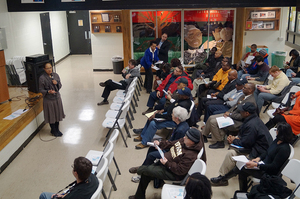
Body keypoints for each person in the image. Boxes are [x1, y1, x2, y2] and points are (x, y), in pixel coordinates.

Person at [128, 128, 205, 199]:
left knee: (147, 171)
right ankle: (139, 196)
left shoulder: (191, 155)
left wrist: (167, 163)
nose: (184, 137)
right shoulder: (185, 141)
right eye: (185, 135)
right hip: (166, 162)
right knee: (146, 173)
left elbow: (180, 170)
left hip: (173, 173)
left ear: (192, 141)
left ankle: (139, 169)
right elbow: (172, 143)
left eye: (187, 137)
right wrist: (160, 144)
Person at [210, 102, 272, 186]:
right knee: (231, 152)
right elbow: (247, 138)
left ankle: (223, 178)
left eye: (242, 111)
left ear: (247, 113)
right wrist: (235, 138)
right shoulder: (253, 119)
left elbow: (246, 143)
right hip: (255, 147)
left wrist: (233, 140)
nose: (240, 112)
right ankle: (222, 176)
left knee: (232, 153)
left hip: (259, 154)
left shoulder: (252, 125)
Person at [130, 106, 191, 182]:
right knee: (151, 148)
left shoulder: (180, 130)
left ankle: (142, 173)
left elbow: (175, 146)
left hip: (172, 154)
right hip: (171, 148)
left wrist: (163, 147)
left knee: (151, 155)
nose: (171, 114)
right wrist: (162, 144)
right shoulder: (182, 124)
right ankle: (144, 167)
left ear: (177, 118)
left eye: (172, 114)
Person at [238, 122, 293, 191]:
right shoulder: (277, 141)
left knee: (242, 169)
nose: (276, 131)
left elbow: (273, 167)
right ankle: (228, 180)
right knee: (242, 165)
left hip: (268, 172)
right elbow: (267, 152)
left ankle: (242, 191)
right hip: (262, 164)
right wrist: (258, 158)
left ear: (281, 133)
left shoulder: (284, 149)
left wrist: (257, 165)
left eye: (277, 130)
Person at [202, 83, 256, 148]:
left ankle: (220, 142)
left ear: (250, 90)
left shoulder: (251, 101)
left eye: (244, 88)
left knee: (213, 121)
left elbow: (242, 116)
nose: (242, 88)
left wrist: (230, 115)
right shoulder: (243, 96)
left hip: (238, 122)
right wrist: (228, 112)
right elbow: (235, 106)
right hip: (232, 115)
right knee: (211, 117)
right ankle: (204, 135)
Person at [39, 62, 65, 137]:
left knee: (57, 114)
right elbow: (41, 90)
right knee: (51, 115)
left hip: (57, 98)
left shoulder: (55, 75)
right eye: (47, 68)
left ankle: (57, 129)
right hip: (49, 100)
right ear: (44, 69)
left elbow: (60, 85)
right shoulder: (42, 78)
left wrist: (56, 83)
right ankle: (53, 130)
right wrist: (48, 91)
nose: (49, 69)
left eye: (50, 67)